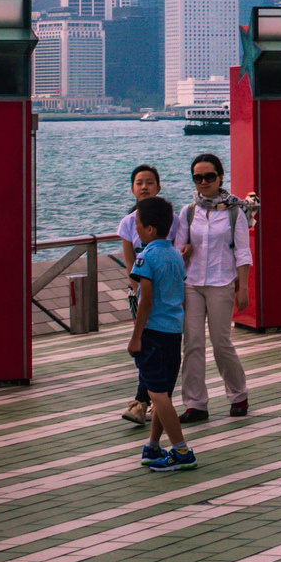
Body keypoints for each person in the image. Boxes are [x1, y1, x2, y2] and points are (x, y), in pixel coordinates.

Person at [172, 153, 252, 422]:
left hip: (221, 282)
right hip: (191, 283)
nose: (203, 182)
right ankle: (195, 403)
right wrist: (183, 252)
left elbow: (243, 252)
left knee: (221, 342)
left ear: (220, 177)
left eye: (209, 176)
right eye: (198, 177)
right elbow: (177, 249)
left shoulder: (235, 212)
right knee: (192, 343)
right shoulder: (189, 211)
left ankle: (238, 394)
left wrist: (243, 289)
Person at [127, 195, 197, 472]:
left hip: (153, 333)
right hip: (173, 332)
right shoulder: (175, 256)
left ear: (149, 230)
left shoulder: (145, 258)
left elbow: (145, 300)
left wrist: (136, 336)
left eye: (138, 225)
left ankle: (181, 450)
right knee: (162, 392)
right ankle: (153, 445)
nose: (136, 230)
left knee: (157, 395)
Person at [115, 164, 162, 425]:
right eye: (139, 183)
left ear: (159, 186)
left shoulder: (171, 218)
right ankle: (144, 401)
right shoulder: (127, 222)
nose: (144, 187)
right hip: (141, 296)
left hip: (167, 296)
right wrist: (140, 295)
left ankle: (144, 401)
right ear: (132, 189)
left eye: (150, 182)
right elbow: (129, 262)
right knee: (146, 346)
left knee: (161, 347)